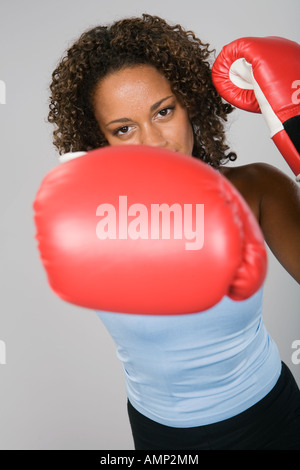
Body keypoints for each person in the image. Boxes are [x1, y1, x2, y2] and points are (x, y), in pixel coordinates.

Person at [47, 14, 300, 450]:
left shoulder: (257, 188)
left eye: (163, 112)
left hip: (271, 417)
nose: (153, 142)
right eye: (123, 129)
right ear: (99, 140)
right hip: (159, 434)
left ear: (192, 103)